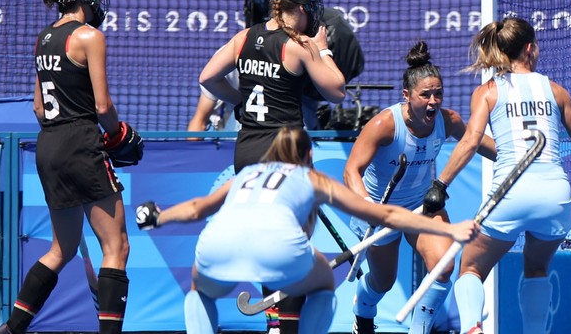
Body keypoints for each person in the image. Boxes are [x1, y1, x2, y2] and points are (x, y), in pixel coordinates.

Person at [134, 126, 479, 334]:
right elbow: (386, 213)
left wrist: (158, 217)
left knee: (200, 290)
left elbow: (197, 208)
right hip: (278, 248)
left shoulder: (247, 173)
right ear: (309, 153)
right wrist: (449, 230)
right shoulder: (311, 177)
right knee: (324, 283)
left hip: (217, 245)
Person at [432, 17, 571, 334]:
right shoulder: (556, 90)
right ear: (529, 49)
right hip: (554, 197)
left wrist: (440, 184)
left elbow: (470, 142)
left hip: (509, 194)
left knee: (470, 268)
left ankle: (471, 329)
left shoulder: (487, 91)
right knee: (537, 268)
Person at [0, 0, 132, 334]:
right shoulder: (89, 37)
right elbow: (102, 106)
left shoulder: (44, 38)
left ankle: (11, 328)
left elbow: (39, 108)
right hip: (81, 142)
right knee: (116, 247)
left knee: (61, 249)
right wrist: (118, 136)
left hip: (49, 145)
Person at [342, 41, 497, 334]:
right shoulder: (384, 125)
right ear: (407, 95)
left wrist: (515, 155)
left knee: (444, 266)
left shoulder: (448, 121)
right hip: (381, 210)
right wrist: (368, 205)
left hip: (422, 206)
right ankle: (363, 312)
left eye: (438, 94)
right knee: (383, 282)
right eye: (425, 95)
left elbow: (476, 143)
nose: (433, 101)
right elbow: (351, 170)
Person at [199, 0, 346, 173]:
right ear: (303, 8)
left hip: (246, 150)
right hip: (285, 150)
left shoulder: (243, 37)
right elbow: (337, 93)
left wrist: (241, 101)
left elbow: (207, 78)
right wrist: (323, 49)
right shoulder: (300, 44)